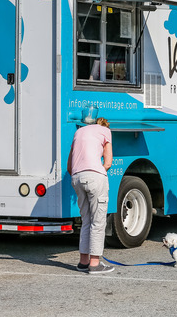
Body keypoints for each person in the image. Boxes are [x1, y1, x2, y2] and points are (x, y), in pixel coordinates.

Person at [67, 117, 114, 274]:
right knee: (98, 221)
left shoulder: (78, 132)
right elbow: (108, 162)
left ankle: (83, 262)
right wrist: (96, 174)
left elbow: (69, 165)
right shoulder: (105, 131)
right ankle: (95, 264)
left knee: (86, 220)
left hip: (76, 177)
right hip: (95, 177)